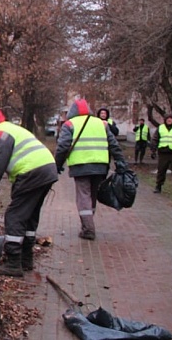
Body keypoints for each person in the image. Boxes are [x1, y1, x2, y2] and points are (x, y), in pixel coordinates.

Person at [0, 105, 58, 277]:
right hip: (47, 169)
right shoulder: (11, 129)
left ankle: (13, 264)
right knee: (30, 216)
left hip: (32, 172)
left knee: (14, 216)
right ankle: (26, 260)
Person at [55, 99, 127, 241]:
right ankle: (88, 225)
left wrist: (58, 165)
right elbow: (114, 144)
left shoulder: (69, 124)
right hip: (101, 165)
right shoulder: (100, 124)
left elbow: (62, 146)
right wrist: (120, 161)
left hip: (81, 165)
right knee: (92, 195)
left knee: (83, 196)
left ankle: (88, 229)